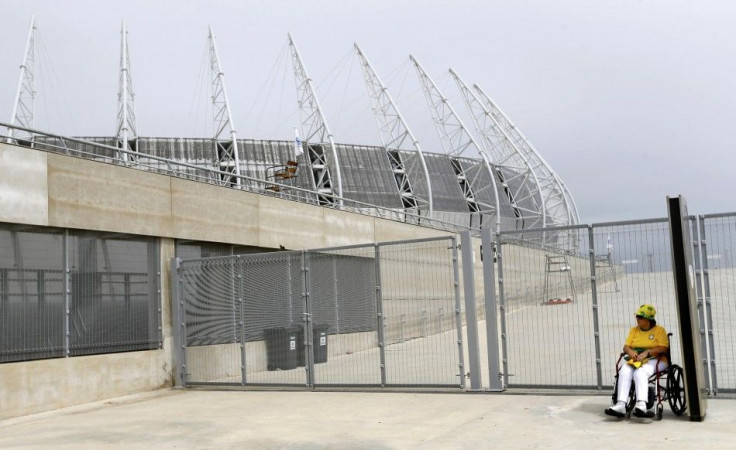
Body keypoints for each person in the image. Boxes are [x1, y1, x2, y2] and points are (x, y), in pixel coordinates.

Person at [605, 304, 669, 418]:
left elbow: (663, 348)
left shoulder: (659, 330)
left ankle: (642, 404)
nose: (637, 319)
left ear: (648, 320)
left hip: (656, 359)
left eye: (640, 317)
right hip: (636, 360)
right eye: (637, 316)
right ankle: (621, 404)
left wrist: (648, 352)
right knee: (624, 370)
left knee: (640, 372)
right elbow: (626, 346)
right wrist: (631, 353)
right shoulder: (634, 330)